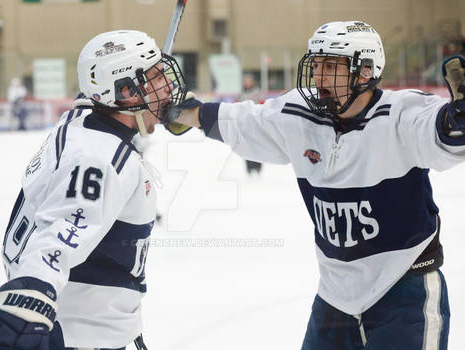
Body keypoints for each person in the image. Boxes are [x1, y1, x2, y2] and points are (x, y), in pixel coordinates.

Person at [165, 20, 465, 349]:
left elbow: (444, 136)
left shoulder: (402, 115)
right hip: (335, 299)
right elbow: (243, 121)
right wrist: (183, 114)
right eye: (316, 64)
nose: (319, 77)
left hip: (405, 293)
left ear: (364, 71)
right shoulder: (299, 114)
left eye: (331, 66)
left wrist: (459, 120)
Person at [0, 30, 187, 350]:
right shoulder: (100, 158)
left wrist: (138, 120)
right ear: (127, 90)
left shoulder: (85, 123)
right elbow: (61, 231)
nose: (169, 86)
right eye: (156, 77)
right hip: (82, 335)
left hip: (84, 327)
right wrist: (27, 298)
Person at [240, 74, 263, 175]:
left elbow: (263, 105)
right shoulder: (240, 94)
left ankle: (258, 167)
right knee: (246, 146)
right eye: (245, 81)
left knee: (258, 146)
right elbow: (235, 106)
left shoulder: (258, 92)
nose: (247, 82)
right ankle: (249, 168)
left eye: (249, 80)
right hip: (245, 125)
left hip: (257, 124)